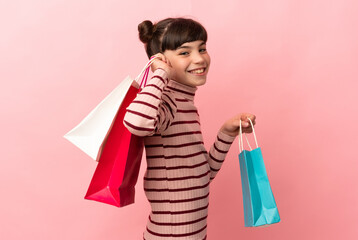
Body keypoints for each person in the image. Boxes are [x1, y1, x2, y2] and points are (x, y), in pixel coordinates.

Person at [123, 17, 256, 240]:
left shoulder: (185, 104)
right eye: (185, 52)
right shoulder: (166, 101)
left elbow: (201, 176)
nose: (199, 58)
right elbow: (136, 121)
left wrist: (226, 134)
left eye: (202, 48)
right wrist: (159, 75)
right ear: (161, 60)